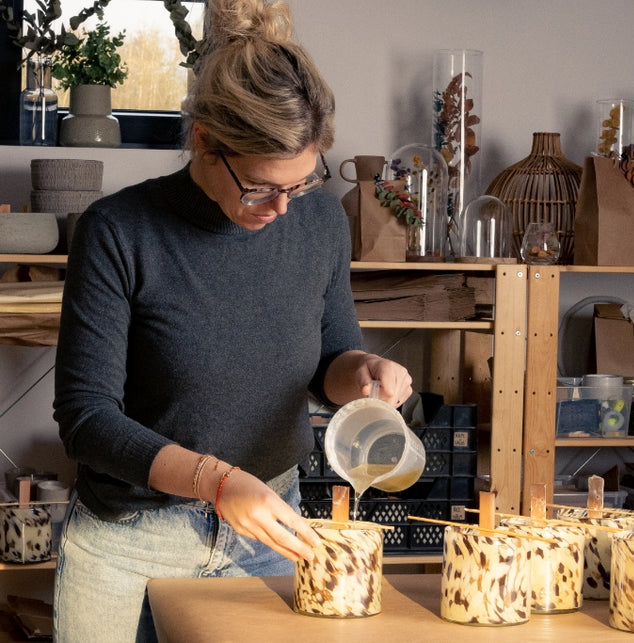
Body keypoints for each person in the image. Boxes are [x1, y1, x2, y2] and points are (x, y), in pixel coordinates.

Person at [50, 1, 412, 640]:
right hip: (132, 541)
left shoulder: (321, 222)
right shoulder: (118, 231)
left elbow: (330, 360)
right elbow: (86, 420)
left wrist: (364, 373)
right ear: (206, 141)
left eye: (299, 184)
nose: (280, 208)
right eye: (259, 187)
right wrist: (216, 482)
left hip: (272, 532)